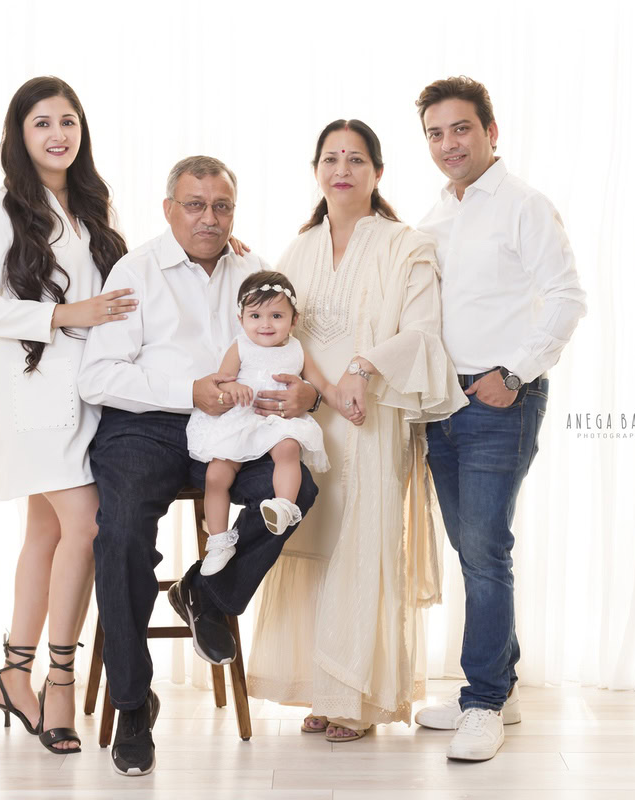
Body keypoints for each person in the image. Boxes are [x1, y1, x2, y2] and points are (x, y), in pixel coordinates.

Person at [78, 155, 320, 777]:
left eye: (221, 206)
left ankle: (208, 591)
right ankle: (133, 702)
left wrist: (306, 396)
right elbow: (99, 375)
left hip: (239, 424)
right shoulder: (135, 270)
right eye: (194, 205)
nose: (209, 218)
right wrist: (190, 391)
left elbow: (285, 348)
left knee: (299, 487)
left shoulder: (250, 266)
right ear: (168, 209)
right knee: (123, 532)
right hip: (149, 424)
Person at [246, 120, 462, 742]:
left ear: (378, 172)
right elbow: (279, 328)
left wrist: (360, 372)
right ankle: (322, 688)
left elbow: (421, 330)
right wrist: (321, 387)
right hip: (313, 411)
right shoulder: (299, 248)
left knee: (363, 544)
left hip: (372, 411)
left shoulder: (406, 244)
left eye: (356, 159)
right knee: (312, 541)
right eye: (331, 158)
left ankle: (358, 700)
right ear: (316, 170)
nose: (343, 169)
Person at [0, 76, 133, 755]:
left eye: (68, 121)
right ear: (19, 134)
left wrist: (212, 256)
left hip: (87, 392)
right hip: (31, 395)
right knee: (84, 524)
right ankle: (60, 683)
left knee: (46, 535)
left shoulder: (91, 204)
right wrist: (59, 315)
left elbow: (121, 289)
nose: (58, 133)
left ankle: (12, 674)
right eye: (42, 123)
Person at [412, 76, 587, 762]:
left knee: (485, 549)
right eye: (435, 133)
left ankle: (481, 701)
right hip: (441, 402)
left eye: (461, 129)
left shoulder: (523, 205)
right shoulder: (435, 215)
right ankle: (500, 691)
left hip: (499, 400)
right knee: (471, 548)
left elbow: (567, 296)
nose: (449, 143)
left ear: (491, 132)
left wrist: (514, 373)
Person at [187, 270, 343, 575]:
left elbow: (320, 384)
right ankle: (219, 541)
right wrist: (233, 388)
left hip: (277, 422)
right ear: (241, 318)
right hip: (242, 418)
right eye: (255, 315)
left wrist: (342, 400)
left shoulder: (296, 349)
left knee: (288, 449)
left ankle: (284, 506)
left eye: (276, 315)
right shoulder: (240, 346)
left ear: (294, 319)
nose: (265, 324)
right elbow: (222, 381)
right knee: (217, 475)